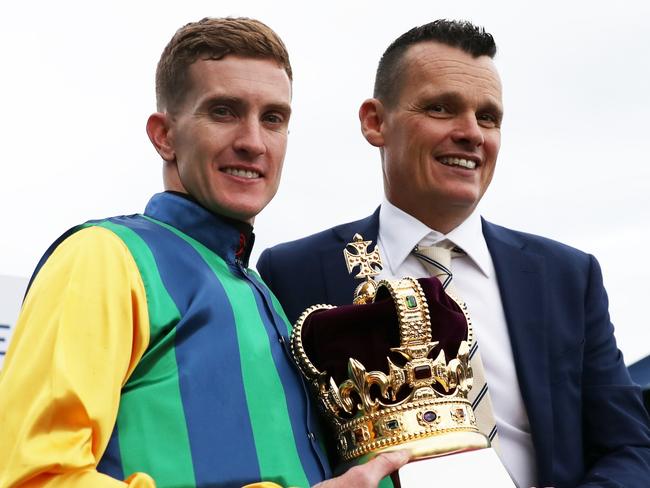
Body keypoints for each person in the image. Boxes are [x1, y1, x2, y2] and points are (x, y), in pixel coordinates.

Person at [0, 17, 407, 488]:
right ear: (164, 136)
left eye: (273, 118)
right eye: (223, 111)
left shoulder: (262, 294)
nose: (253, 142)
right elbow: (33, 477)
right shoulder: (102, 256)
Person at [257, 19, 650, 488]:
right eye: (442, 109)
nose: (472, 133)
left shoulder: (567, 275)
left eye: (488, 117)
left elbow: (629, 446)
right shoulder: (295, 272)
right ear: (375, 121)